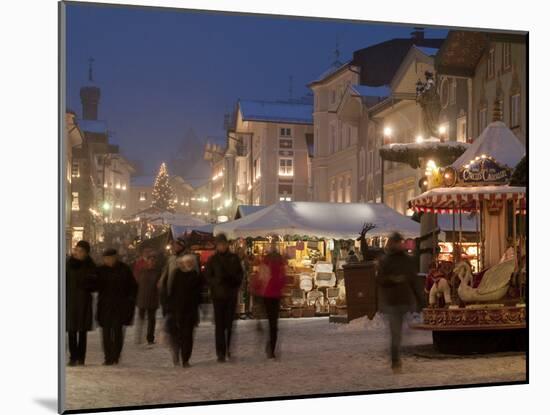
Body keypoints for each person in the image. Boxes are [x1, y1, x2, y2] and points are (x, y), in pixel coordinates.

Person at [377, 232, 419, 373]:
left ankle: (397, 357)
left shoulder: (407, 260)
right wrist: (393, 279)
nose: (401, 244)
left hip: (404, 300)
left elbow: (413, 280)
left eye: (401, 242)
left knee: (402, 333)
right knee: (396, 333)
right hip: (392, 301)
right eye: (398, 242)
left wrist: (419, 299)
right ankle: (396, 361)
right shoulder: (386, 260)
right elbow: (380, 280)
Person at [205, 233, 243, 362]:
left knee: (229, 325)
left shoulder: (234, 258)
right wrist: (216, 281)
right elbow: (207, 277)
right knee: (220, 326)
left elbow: (240, 274)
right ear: (217, 245)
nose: (222, 246)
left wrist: (234, 282)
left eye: (223, 244)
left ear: (227, 244)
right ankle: (220, 352)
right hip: (218, 296)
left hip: (230, 295)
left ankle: (228, 349)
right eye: (220, 244)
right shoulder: (213, 260)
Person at [96, 248, 138, 365]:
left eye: (110, 258)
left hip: (120, 305)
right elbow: (94, 284)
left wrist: (130, 299)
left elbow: (133, 286)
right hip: (105, 305)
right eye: (106, 258)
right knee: (106, 333)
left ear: (115, 258)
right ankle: (108, 357)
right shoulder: (100, 270)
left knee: (118, 331)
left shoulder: (124, 269)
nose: (108, 260)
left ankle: (116, 356)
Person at [162, 254, 203, 367]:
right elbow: (171, 292)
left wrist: (199, 309)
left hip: (191, 311)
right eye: (187, 262)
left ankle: (185, 359)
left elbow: (199, 295)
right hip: (177, 310)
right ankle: (176, 353)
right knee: (176, 334)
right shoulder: (177, 274)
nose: (189, 264)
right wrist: (169, 307)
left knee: (188, 335)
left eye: (191, 262)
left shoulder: (196, 275)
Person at [66, 240, 96, 366]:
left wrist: (87, 284)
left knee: (82, 331)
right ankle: (73, 357)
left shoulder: (90, 266)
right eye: (76, 250)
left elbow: (95, 283)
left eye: (80, 251)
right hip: (70, 300)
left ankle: (81, 358)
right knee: (71, 330)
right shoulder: (69, 264)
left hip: (83, 301)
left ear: (86, 253)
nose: (77, 253)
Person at [255, 243, 287, 359]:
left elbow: (260, 278)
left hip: (268, 295)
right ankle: (271, 348)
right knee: (273, 324)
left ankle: (271, 347)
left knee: (271, 323)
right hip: (272, 295)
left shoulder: (266, 262)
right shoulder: (279, 263)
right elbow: (283, 279)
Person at [135, 252, 162, 345]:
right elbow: (137, 283)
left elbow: (160, 285)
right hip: (142, 298)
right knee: (141, 319)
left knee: (151, 319)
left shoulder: (158, 272)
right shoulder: (142, 271)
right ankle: (139, 336)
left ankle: (150, 338)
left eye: (153, 260)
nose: (152, 262)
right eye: (150, 260)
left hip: (152, 299)